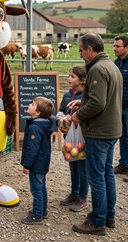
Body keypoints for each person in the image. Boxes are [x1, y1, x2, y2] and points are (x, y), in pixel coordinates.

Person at [69, 33, 122, 236]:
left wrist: (78, 116)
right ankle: (108, 215)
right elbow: (104, 97)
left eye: (81, 50)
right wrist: (83, 101)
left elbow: (99, 103)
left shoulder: (97, 69)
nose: (81, 54)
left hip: (99, 132)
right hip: (111, 129)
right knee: (107, 173)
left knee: (96, 177)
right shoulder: (111, 66)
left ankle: (97, 221)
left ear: (90, 49)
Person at [57, 66, 89, 212]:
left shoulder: (86, 97)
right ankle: (74, 193)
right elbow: (60, 111)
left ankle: (83, 197)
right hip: (69, 136)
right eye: (69, 76)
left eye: (73, 77)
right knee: (73, 167)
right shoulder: (67, 95)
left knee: (82, 168)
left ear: (82, 80)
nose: (69, 79)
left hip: (82, 137)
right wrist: (62, 120)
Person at [21, 96, 55, 225]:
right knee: (42, 187)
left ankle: (37, 215)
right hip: (43, 163)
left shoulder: (34, 127)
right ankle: (43, 210)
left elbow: (32, 149)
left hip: (36, 164)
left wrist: (27, 165)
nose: (29, 105)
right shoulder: (43, 125)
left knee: (36, 190)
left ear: (38, 112)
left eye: (32, 104)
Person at [113, 35, 128, 180]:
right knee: (123, 136)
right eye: (114, 45)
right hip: (118, 106)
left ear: (127, 47)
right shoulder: (116, 63)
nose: (114, 48)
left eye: (118, 46)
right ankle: (124, 164)